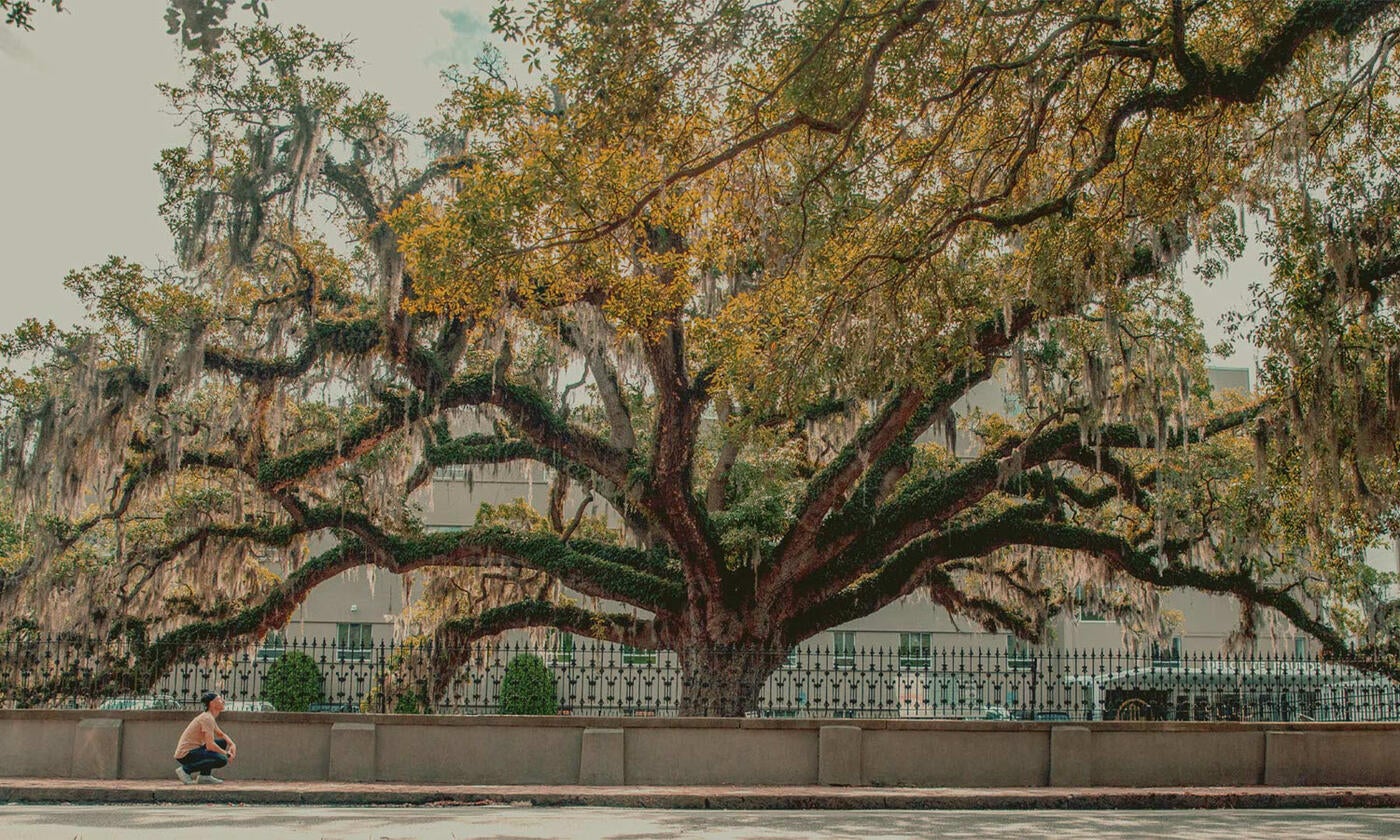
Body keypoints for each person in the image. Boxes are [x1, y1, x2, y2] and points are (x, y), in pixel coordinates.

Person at [173, 691, 237, 784]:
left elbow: (221, 734)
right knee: (222, 760)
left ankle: (205, 776)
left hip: (195, 751)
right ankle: (185, 770)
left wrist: (232, 744)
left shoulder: (209, 717)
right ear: (212, 703)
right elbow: (210, 745)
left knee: (222, 742)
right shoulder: (207, 719)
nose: (223, 701)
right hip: (186, 755)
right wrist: (227, 754)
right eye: (219, 699)